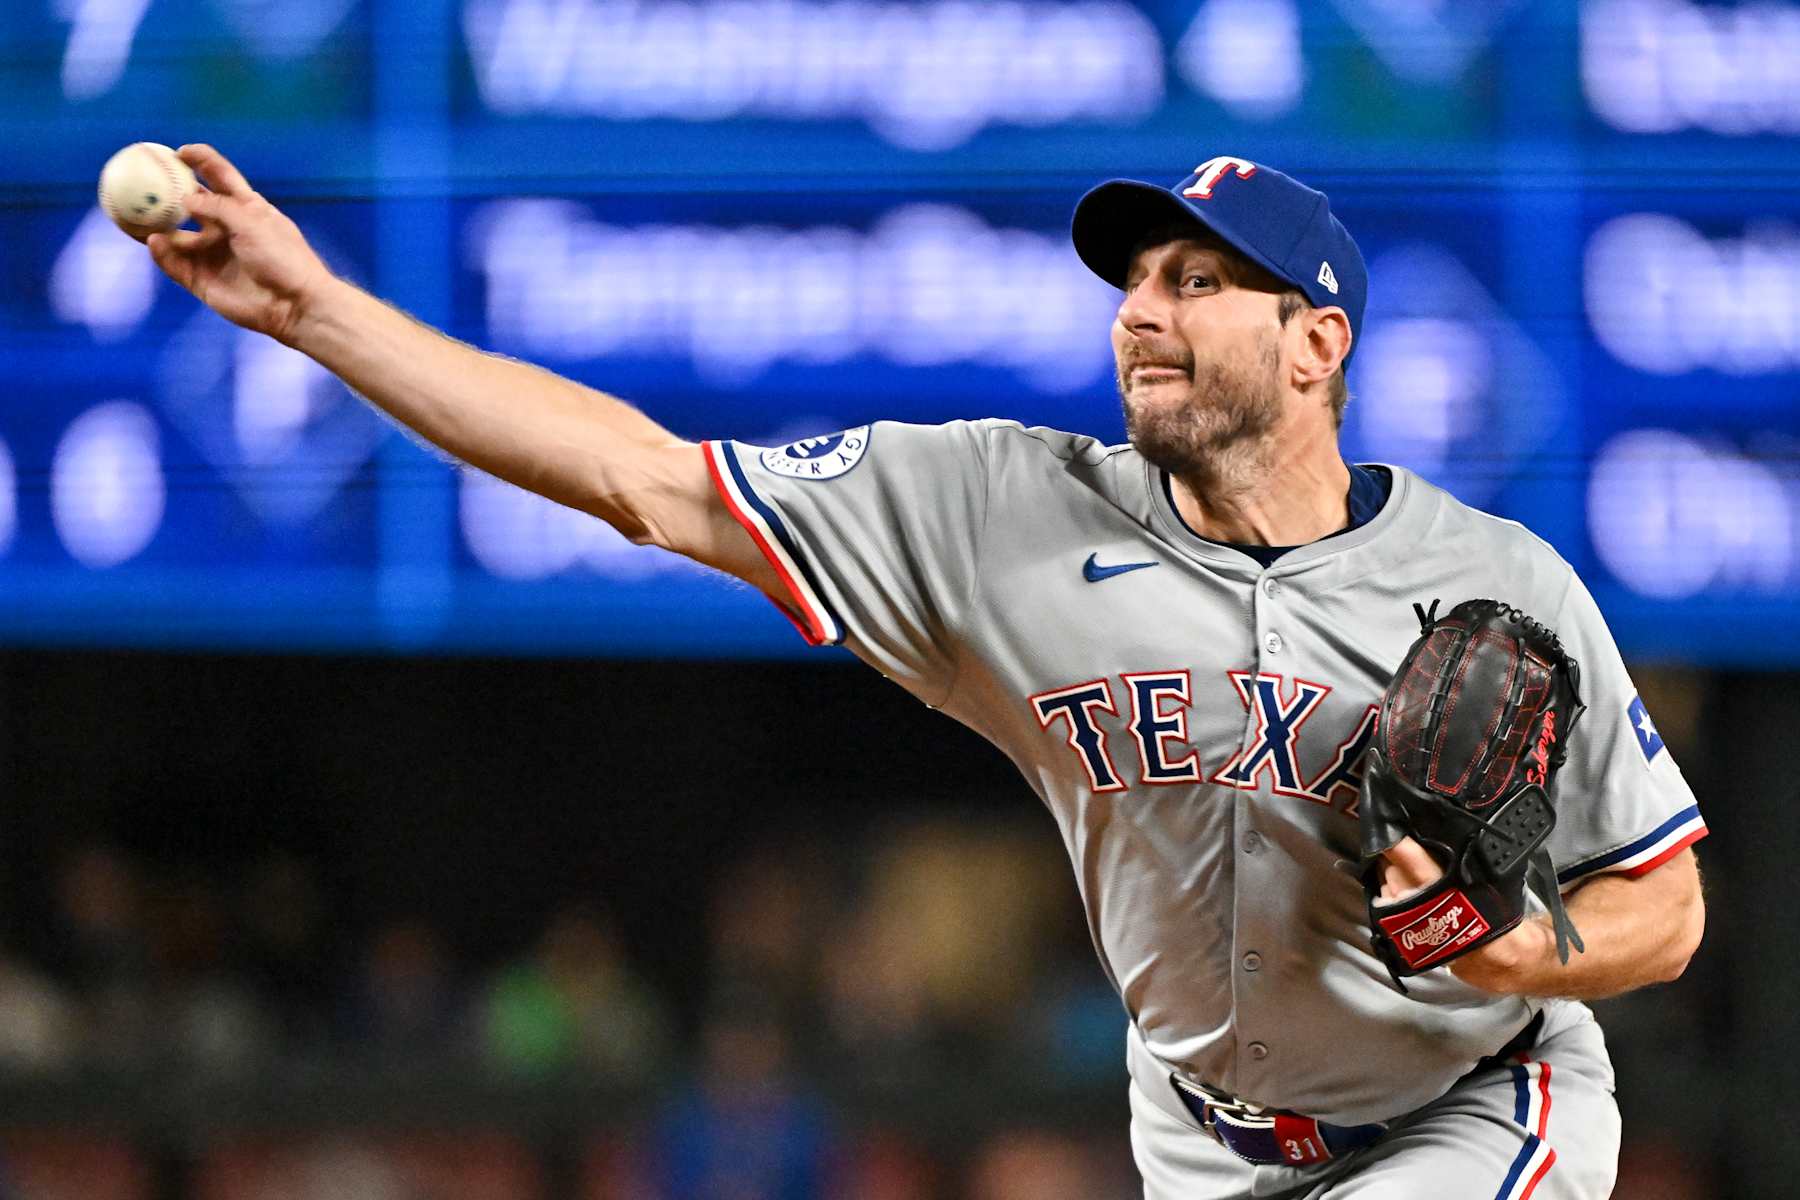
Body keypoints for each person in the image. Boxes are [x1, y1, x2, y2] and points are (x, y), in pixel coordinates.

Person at [146, 147, 1708, 1198]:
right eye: (1135, 280)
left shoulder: (1500, 583)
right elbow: (647, 480)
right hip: (1201, 1138)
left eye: (1197, 280)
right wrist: (314, 308)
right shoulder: (1001, 513)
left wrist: (1515, 958)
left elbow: (1668, 909)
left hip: (1475, 1107)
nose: (1143, 310)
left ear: (1317, 343)